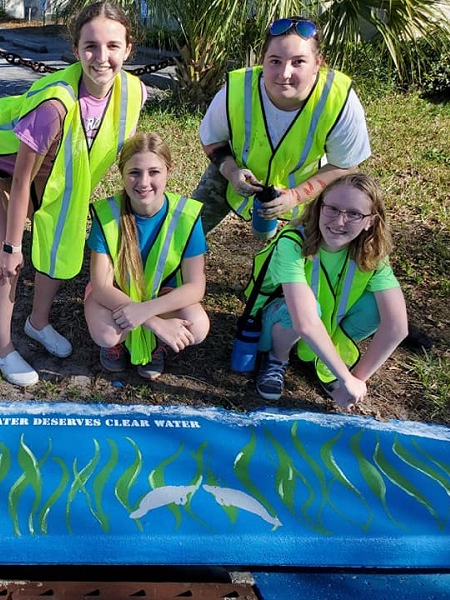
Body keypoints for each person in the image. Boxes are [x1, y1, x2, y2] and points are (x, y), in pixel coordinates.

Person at [0, 1, 146, 387]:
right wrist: (11, 246)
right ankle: (2, 349)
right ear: (75, 51)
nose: (101, 57)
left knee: (57, 238)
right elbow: (21, 180)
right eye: (90, 46)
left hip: (52, 165)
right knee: (5, 259)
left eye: (112, 46)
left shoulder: (133, 92)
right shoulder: (53, 106)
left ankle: (37, 322)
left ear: (128, 49)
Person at [242, 173, 408, 411]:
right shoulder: (292, 241)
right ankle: (277, 358)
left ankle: (323, 358)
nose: (339, 222)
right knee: (303, 310)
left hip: (322, 324)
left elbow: (397, 327)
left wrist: (356, 380)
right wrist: (345, 377)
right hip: (275, 321)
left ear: (371, 221)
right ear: (319, 208)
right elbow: (305, 321)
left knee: (378, 309)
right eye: (332, 209)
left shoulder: (372, 250)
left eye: (354, 214)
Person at [194, 17, 370, 240]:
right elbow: (212, 140)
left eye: (298, 62)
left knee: (314, 249)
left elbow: (346, 164)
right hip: (239, 168)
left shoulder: (339, 98)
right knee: (188, 231)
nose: (284, 73)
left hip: (311, 182)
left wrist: (296, 195)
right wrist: (231, 172)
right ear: (263, 60)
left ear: (317, 63)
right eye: (275, 61)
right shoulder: (236, 89)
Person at [84, 132, 210, 380]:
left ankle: (156, 345)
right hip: (116, 294)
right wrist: (154, 321)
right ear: (121, 174)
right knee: (106, 333)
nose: (143, 182)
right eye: (134, 173)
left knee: (198, 326)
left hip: (161, 294)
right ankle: (118, 344)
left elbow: (196, 287)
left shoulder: (186, 215)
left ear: (169, 171)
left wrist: (147, 309)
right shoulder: (107, 214)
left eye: (154, 172)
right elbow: (100, 287)